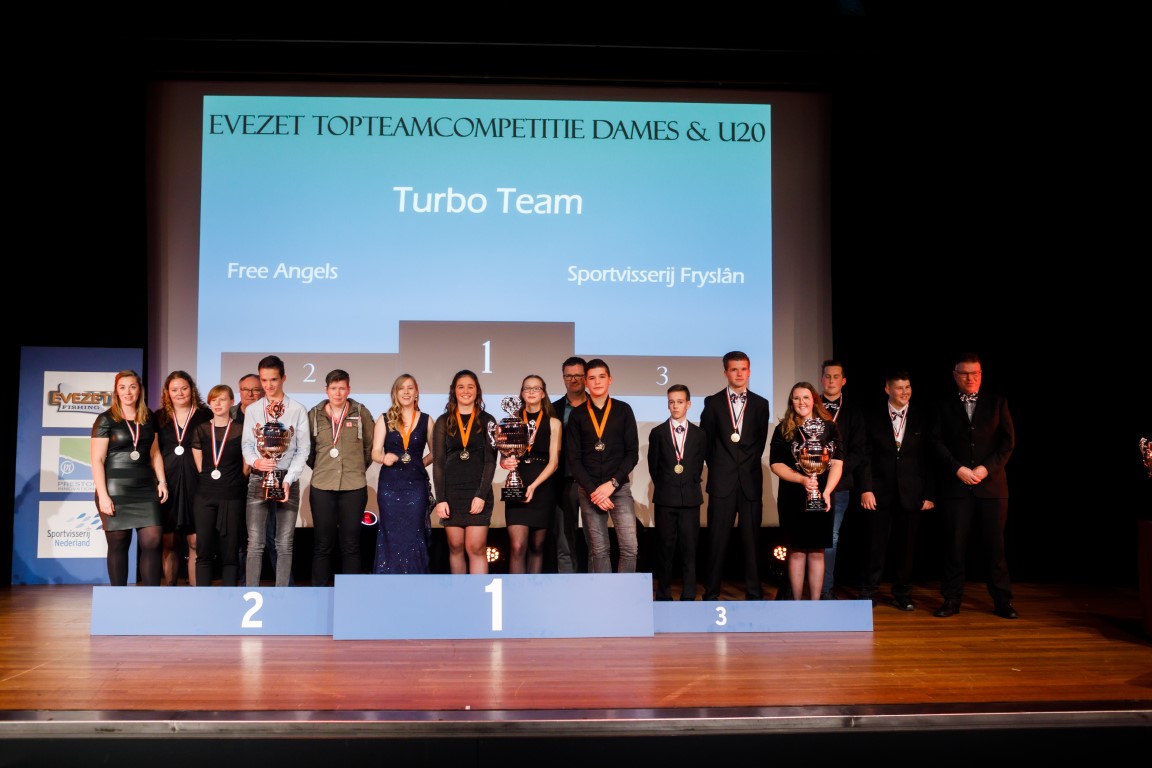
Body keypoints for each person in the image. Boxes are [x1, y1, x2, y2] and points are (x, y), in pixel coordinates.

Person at [930, 353, 1017, 619]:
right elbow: (935, 442)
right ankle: (951, 600)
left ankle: (1002, 601)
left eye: (975, 373)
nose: (970, 378)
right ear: (955, 375)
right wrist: (958, 468)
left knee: (995, 548)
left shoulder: (998, 403)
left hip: (991, 488)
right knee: (954, 547)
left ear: (981, 374)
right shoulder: (942, 405)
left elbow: (1007, 443)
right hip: (956, 487)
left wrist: (985, 468)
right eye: (965, 373)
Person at [857, 370, 935, 610]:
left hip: (912, 493)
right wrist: (866, 489)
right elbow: (864, 455)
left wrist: (929, 493)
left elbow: (930, 457)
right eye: (899, 388)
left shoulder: (922, 416)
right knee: (875, 545)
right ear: (887, 389)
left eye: (908, 387)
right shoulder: (871, 416)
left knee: (907, 548)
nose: (904, 392)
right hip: (878, 492)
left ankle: (903, 594)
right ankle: (869, 591)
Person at [699, 351, 772, 600]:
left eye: (743, 369)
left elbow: (759, 442)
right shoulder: (713, 403)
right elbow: (707, 443)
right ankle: (711, 592)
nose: (739, 374)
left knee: (752, 540)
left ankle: (754, 592)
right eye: (734, 369)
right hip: (722, 482)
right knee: (717, 540)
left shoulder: (761, 404)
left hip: (750, 481)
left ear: (749, 372)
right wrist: (721, 467)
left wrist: (744, 465)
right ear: (725, 373)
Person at [89, 370, 168, 586]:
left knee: (153, 540)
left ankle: (151, 598)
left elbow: (155, 453)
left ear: (139, 390)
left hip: (145, 487)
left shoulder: (148, 417)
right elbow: (97, 460)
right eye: (122, 387)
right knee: (118, 543)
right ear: (116, 391)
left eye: (132, 387)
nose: (128, 392)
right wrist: (103, 495)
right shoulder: (106, 419)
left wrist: (162, 481)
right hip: (115, 489)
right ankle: (119, 598)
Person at [240, 355, 311, 587]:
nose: (268, 385)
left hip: (286, 479)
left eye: (273, 379)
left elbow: (303, 449)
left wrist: (288, 479)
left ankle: (283, 595)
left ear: (283, 378)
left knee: (284, 543)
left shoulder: (297, 409)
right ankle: (251, 593)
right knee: (255, 543)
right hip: (259, 479)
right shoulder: (253, 410)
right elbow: (247, 444)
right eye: (264, 380)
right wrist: (256, 462)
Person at [770, 382, 844, 600]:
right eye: (796, 398)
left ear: (814, 400)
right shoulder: (783, 429)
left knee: (818, 551)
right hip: (792, 497)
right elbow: (776, 464)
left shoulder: (830, 428)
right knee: (796, 551)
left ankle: (815, 605)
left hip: (822, 496)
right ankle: (798, 604)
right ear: (791, 402)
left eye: (805, 397)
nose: (801, 402)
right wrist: (802, 479)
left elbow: (837, 462)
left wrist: (827, 492)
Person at [566, 358, 639, 574]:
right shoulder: (578, 415)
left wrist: (612, 484)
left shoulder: (623, 410)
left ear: (610, 380)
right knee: (599, 550)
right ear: (585, 382)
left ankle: (624, 591)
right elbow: (574, 460)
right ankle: (603, 593)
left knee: (630, 547)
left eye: (601, 377)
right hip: (590, 491)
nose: (597, 382)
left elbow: (632, 454)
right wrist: (594, 491)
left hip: (619, 489)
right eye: (592, 378)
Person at [306, 369, 374, 586]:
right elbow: (308, 452)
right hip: (322, 487)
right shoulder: (314, 415)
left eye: (342, 388)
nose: (338, 393)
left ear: (349, 389)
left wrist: (355, 469)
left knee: (351, 545)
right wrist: (323, 468)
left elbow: (369, 449)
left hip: (354, 487)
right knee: (322, 545)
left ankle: (350, 595)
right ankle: (318, 593)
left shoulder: (361, 413)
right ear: (326, 390)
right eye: (333, 388)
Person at [432, 370, 497, 574]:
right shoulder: (443, 421)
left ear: (477, 391)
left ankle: (478, 592)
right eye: (461, 387)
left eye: (470, 386)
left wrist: (481, 495)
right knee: (456, 547)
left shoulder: (488, 420)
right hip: (451, 494)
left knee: (476, 548)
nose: (466, 391)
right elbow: (438, 463)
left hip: (478, 492)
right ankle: (460, 592)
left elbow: (491, 462)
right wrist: (441, 499)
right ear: (454, 391)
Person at [372, 374, 435, 574]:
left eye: (410, 388)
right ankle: (389, 581)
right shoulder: (384, 419)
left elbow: (435, 452)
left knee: (414, 534)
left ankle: (415, 581)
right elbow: (375, 452)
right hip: (390, 486)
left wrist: (420, 463)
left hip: (415, 487)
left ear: (416, 392)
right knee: (391, 534)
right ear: (395, 393)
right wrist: (384, 458)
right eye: (401, 388)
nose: (406, 392)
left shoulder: (426, 420)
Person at [648, 384, 705, 600]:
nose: (675, 406)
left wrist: (686, 483)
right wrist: (668, 485)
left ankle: (689, 594)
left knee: (690, 549)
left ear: (688, 404)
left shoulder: (699, 434)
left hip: (690, 499)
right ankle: (664, 594)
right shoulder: (658, 433)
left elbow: (698, 465)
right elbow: (654, 467)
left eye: (680, 402)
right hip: (665, 499)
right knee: (665, 549)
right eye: (671, 402)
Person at [154, 370, 212, 586]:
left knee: (196, 541)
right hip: (167, 483)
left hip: (196, 484)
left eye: (184, 388)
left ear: (192, 389)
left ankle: (196, 592)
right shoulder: (158, 417)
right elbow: (153, 451)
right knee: (168, 541)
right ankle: (170, 589)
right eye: (174, 389)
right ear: (167, 393)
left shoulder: (205, 415)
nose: (180, 393)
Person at [501, 375, 561, 574]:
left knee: (537, 546)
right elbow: (503, 455)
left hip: (542, 488)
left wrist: (534, 486)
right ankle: (516, 591)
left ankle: (532, 591)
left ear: (543, 393)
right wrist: (505, 462)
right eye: (527, 388)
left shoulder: (553, 423)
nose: (532, 392)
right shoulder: (512, 420)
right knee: (517, 546)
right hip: (517, 485)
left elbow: (554, 462)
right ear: (522, 393)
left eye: (536, 388)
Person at [191, 384, 248, 586]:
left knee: (230, 552)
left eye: (222, 399)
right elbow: (200, 466)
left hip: (232, 496)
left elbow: (246, 466)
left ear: (232, 402)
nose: (217, 403)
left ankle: (229, 598)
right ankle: (203, 597)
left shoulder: (241, 430)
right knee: (204, 551)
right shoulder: (201, 429)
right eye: (213, 400)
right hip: (205, 496)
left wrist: (230, 481)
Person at [817, 359, 865, 600]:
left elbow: (858, 450)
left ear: (843, 381)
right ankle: (796, 587)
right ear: (821, 379)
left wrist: (836, 471)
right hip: (811, 483)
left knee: (831, 537)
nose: (831, 380)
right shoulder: (810, 405)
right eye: (827, 376)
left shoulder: (854, 412)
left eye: (836, 376)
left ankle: (825, 589)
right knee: (806, 536)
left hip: (840, 485)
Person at [550, 356, 587, 573]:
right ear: (563, 378)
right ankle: (567, 586)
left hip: (593, 484)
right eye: (569, 375)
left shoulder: (598, 407)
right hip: (563, 482)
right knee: (564, 543)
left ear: (586, 377)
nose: (573, 380)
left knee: (597, 543)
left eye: (578, 375)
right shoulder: (552, 409)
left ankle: (596, 587)